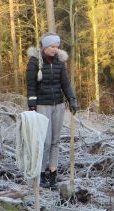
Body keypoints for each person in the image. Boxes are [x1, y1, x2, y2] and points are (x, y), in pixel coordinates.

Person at [26, 32, 78, 189]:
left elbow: (65, 83)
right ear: (44, 46)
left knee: (55, 141)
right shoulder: (34, 62)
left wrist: (72, 99)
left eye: (57, 47)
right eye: (52, 47)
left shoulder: (59, 62)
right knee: (45, 141)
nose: (55, 50)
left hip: (58, 106)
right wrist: (32, 106)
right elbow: (30, 85)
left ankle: (52, 174)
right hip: (42, 105)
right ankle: (40, 174)